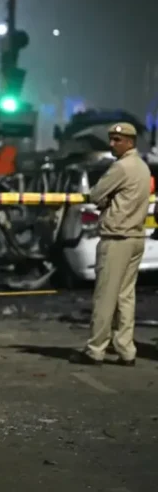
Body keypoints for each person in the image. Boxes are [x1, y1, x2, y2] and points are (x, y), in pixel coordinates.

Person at [69, 123, 151, 366]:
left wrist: (105, 201)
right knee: (126, 297)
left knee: (105, 296)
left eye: (117, 139)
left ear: (130, 141)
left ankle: (95, 349)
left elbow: (95, 195)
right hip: (136, 238)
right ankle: (126, 350)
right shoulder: (143, 167)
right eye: (112, 139)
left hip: (116, 239)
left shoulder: (121, 167)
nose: (112, 143)